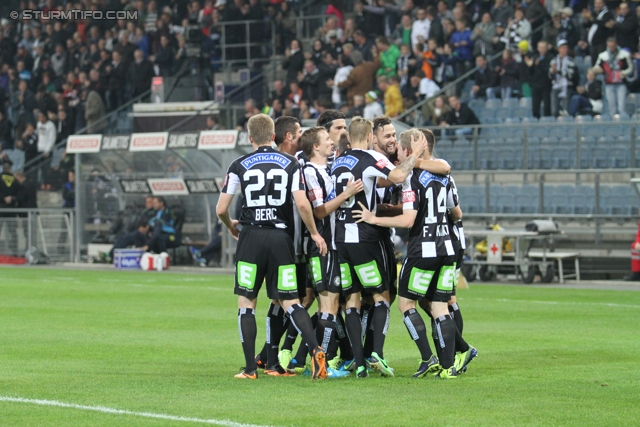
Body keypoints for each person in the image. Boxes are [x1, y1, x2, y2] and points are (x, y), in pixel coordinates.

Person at [353, 127, 474, 379]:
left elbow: (408, 221)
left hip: (423, 250)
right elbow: (456, 212)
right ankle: (449, 365)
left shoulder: (412, 177)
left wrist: (373, 218)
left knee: (406, 303)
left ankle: (427, 357)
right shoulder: (444, 175)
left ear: (409, 150)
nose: (397, 156)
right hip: (447, 247)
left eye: (399, 151)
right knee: (440, 305)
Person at [216, 114, 329, 380]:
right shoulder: (291, 163)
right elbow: (302, 204)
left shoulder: (238, 164)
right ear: (273, 135)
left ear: (250, 137)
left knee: (247, 303)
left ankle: (250, 369)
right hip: (281, 239)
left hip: (251, 238)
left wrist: (230, 224)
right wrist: (314, 233)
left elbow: (221, 208)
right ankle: (316, 351)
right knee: (291, 301)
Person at [331, 116, 428, 378]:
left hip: (340, 240)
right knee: (381, 296)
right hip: (365, 238)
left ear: (349, 138)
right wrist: (415, 154)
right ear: (370, 136)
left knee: (351, 301)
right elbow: (397, 175)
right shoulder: (371, 158)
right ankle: (377, 354)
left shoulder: (338, 162)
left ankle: (358, 363)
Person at [300, 126, 364, 377]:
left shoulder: (326, 169)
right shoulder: (309, 171)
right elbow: (319, 210)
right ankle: (319, 364)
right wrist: (347, 194)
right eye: (327, 139)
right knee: (327, 304)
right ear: (315, 146)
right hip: (321, 245)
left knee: (332, 304)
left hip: (333, 245)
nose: (331, 142)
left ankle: (317, 362)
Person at [593, 37, 633, 116]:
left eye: (612, 46)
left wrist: (624, 73)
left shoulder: (624, 55)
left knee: (621, 107)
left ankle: (623, 123)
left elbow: (630, 68)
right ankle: (613, 124)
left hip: (621, 83)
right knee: (612, 107)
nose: (611, 48)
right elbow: (596, 67)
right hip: (609, 83)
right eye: (609, 46)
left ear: (616, 44)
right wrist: (598, 69)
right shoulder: (603, 56)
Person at [550, 40, 579, 117]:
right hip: (556, 86)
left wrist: (558, 71)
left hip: (567, 87)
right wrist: (552, 72)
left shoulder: (571, 61)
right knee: (554, 109)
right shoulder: (554, 60)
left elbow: (570, 75)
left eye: (566, 48)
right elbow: (550, 75)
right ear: (559, 49)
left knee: (565, 109)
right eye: (563, 48)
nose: (565, 49)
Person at [526, 41, 553, 118]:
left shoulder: (550, 57)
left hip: (546, 85)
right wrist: (530, 66)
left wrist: (540, 64)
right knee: (535, 107)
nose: (542, 49)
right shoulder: (534, 57)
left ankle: (547, 122)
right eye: (540, 47)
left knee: (547, 106)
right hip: (536, 85)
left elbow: (548, 71)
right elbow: (530, 73)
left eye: (544, 47)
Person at [0, 158, 19, 255]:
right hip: (11, 210)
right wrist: (12, 198)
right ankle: (14, 252)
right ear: (10, 169)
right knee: (13, 233)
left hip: (1, 209)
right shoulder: (15, 180)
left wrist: (3, 198)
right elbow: (19, 194)